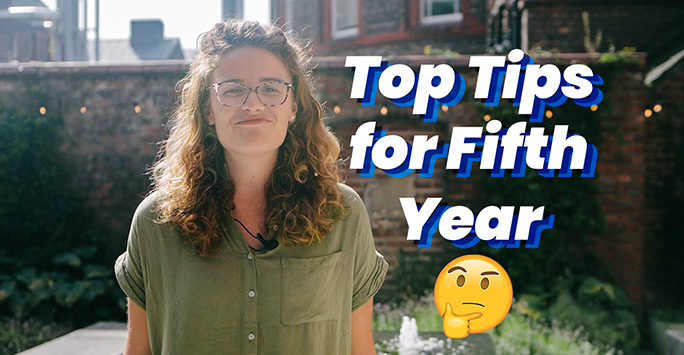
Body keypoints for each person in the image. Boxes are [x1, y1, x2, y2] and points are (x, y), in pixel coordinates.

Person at [114, 19, 388, 354]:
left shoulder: (343, 214)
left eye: (271, 88)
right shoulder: (155, 222)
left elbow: (361, 349)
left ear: (294, 106)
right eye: (232, 89)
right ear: (207, 110)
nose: (253, 104)